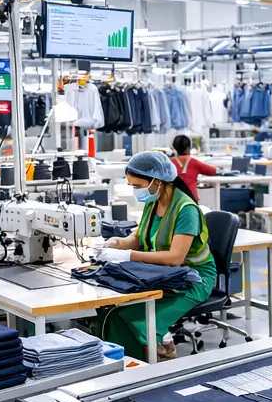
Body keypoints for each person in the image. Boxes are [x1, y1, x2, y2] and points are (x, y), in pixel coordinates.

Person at [89, 151, 215, 361]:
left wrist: (127, 255)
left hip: (193, 278)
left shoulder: (186, 210)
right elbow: (138, 237)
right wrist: (115, 244)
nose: (135, 191)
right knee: (110, 310)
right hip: (162, 274)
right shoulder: (153, 202)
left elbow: (175, 258)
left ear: (157, 181)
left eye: (137, 186)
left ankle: (155, 360)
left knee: (140, 318)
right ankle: (119, 370)